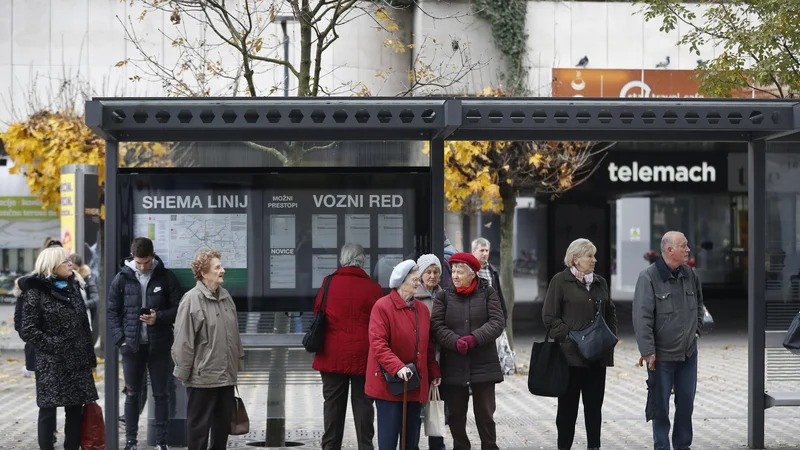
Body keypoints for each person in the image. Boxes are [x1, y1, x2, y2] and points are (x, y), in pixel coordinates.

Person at [17, 246, 98, 450]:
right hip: (52, 363)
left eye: (70, 261)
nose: (70, 264)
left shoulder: (73, 286)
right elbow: (27, 329)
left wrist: (90, 358)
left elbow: (83, 325)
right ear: (53, 265)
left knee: (75, 411)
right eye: (65, 261)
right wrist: (55, 345)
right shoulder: (36, 291)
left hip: (77, 361)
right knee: (47, 410)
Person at [542, 238, 618, 450]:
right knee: (567, 411)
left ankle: (594, 446)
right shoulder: (560, 281)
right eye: (590, 256)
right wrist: (570, 338)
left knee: (594, 410)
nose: (595, 260)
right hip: (569, 359)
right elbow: (549, 317)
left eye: (594, 255)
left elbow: (610, 311)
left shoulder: (600, 282)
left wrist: (609, 336)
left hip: (597, 357)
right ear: (575, 259)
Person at [108, 237, 181, 450]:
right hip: (131, 346)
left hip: (159, 346)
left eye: (146, 262)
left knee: (161, 393)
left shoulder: (165, 277)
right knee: (132, 394)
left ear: (153, 256)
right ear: (133, 257)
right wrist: (120, 340)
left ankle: (162, 442)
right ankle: (131, 441)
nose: (142, 266)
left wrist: (159, 317)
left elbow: (179, 308)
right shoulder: (121, 278)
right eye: (139, 262)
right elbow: (112, 311)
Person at [633, 231, 704, 450]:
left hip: (688, 354)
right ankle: (661, 446)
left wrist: (696, 331)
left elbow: (700, 306)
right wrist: (647, 351)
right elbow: (641, 317)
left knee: (685, 406)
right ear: (670, 250)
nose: (688, 249)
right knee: (660, 407)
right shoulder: (648, 277)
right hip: (661, 356)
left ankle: (683, 446)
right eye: (684, 246)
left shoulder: (690, 274)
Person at [430, 252, 505, 450]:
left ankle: (490, 446)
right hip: (454, 364)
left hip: (484, 364)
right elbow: (436, 326)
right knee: (455, 414)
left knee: (485, 414)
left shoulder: (488, 292)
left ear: (472, 274)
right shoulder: (443, 296)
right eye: (453, 271)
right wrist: (455, 342)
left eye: (459, 272)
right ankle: (461, 446)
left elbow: (497, 322)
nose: (454, 275)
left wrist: (474, 339)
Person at [312, 244, 383, 450]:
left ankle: (330, 446)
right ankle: (365, 446)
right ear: (362, 261)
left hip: (332, 355)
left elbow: (318, 311)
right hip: (364, 356)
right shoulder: (374, 288)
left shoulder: (328, 283)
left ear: (342, 260)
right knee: (364, 406)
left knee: (333, 405)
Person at [172, 249, 244, 450]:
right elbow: (182, 341)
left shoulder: (226, 297)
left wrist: (237, 363)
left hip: (225, 376)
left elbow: (234, 335)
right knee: (199, 432)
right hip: (202, 379)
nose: (223, 270)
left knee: (221, 431)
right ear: (204, 273)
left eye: (221, 266)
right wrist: (183, 372)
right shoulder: (191, 300)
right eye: (218, 267)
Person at [366, 260, 441, 450]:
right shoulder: (382, 307)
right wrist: (398, 367)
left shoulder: (422, 310)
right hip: (388, 384)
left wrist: (434, 372)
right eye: (414, 279)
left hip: (414, 384)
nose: (418, 283)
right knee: (388, 442)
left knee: (411, 443)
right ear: (401, 281)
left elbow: (427, 346)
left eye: (417, 279)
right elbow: (378, 344)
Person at [14, 237, 64, 378]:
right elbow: (21, 321)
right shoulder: (30, 284)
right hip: (41, 351)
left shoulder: (73, 282)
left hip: (67, 352)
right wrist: (39, 342)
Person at [415, 254, 447, 450]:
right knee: (418, 408)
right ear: (420, 274)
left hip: (441, 358)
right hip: (421, 359)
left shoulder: (444, 295)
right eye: (428, 272)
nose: (432, 276)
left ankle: (437, 445)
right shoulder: (414, 296)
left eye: (436, 272)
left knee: (436, 405)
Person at [69, 254, 100, 345]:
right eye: (71, 268)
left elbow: (95, 299)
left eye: (76, 269)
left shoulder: (88, 278)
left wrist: (81, 305)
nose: (73, 271)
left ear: (81, 268)